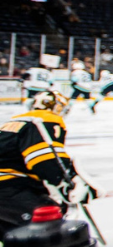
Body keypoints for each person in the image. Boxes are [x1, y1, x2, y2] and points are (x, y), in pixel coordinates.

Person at [0, 92, 93, 233]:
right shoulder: (45, 121)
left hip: (8, 185)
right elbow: (45, 161)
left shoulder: (13, 123)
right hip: (7, 187)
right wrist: (66, 182)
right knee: (48, 218)